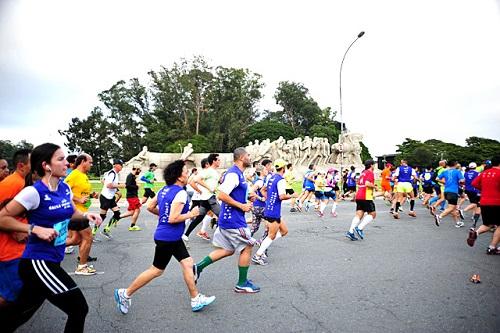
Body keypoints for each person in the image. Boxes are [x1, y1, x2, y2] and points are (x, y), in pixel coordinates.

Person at [0, 143, 102, 333]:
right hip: (38, 262)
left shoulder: (63, 188)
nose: (67, 163)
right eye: (60, 159)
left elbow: (71, 213)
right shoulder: (33, 192)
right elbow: (2, 218)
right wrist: (34, 229)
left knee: (20, 312)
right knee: (78, 308)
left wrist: (87, 215)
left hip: (53, 258)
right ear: (46, 165)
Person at [114, 160, 215, 314]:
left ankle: (195, 299)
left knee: (187, 263)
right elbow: (173, 218)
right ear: (179, 177)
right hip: (168, 237)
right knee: (156, 270)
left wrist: (167, 214)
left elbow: (150, 207)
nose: (188, 173)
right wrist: (191, 214)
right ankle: (125, 293)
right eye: (185, 171)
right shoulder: (180, 193)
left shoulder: (164, 190)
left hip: (170, 236)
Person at [193, 147, 260, 293]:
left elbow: (232, 193)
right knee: (248, 247)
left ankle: (197, 267)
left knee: (228, 249)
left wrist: (247, 197)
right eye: (248, 155)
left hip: (228, 219)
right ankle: (242, 283)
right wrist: (241, 205)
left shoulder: (238, 174)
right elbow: (222, 195)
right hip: (234, 221)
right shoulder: (234, 174)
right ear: (242, 158)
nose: (250, 157)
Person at [0, 149, 31, 307]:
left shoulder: (21, 183)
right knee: (9, 294)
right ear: (21, 166)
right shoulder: (13, 184)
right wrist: (15, 230)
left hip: (17, 249)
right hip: (8, 250)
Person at [252, 159, 296, 265]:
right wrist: (292, 196)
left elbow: (263, 190)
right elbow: (281, 196)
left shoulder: (271, 178)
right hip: (273, 211)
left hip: (270, 209)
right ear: (284, 168)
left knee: (284, 231)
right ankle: (258, 255)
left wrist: (269, 199)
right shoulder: (280, 179)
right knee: (271, 235)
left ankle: (264, 244)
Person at [64, 153, 99, 275]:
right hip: (76, 213)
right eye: (90, 162)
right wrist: (78, 199)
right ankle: (82, 267)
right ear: (83, 161)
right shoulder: (74, 175)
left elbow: (81, 191)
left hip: (82, 212)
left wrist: (91, 195)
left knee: (75, 239)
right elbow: (63, 191)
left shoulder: (83, 175)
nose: (91, 164)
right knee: (88, 237)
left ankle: (47, 246)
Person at [467, 156, 500, 254]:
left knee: (487, 224)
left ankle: (475, 233)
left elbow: (474, 183)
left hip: (484, 201)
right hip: (497, 202)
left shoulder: (484, 172)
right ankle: (492, 247)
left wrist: (484, 188)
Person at [345, 160, 377, 241]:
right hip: (366, 196)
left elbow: (359, 183)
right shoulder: (370, 173)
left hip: (359, 195)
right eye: (374, 165)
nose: (374, 166)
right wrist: (375, 187)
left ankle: (350, 231)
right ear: (371, 165)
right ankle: (359, 228)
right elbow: (367, 183)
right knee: (372, 214)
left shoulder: (363, 173)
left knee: (359, 214)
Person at [93, 159, 125, 239]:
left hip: (111, 198)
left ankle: (106, 230)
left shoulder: (115, 174)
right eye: (120, 164)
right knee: (102, 216)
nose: (122, 166)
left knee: (117, 214)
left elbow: (104, 181)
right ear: (115, 165)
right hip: (105, 197)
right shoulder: (112, 173)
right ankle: (92, 234)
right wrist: (120, 185)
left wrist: (116, 190)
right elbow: (108, 185)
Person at [434, 161, 465, 227]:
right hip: (453, 191)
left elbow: (437, 178)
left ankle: (457, 222)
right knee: (451, 207)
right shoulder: (457, 171)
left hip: (446, 191)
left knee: (453, 208)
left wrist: (444, 183)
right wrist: (460, 183)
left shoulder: (445, 171)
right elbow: (462, 180)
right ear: (455, 165)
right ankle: (439, 217)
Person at [121, 165, 143, 231]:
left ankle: (117, 217)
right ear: (136, 169)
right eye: (139, 170)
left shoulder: (132, 176)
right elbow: (128, 185)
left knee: (132, 212)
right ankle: (132, 226)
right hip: (132, 196)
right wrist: (137, 186)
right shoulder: (130, 176)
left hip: (133, 196)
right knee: (137, 210)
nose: (139, 171)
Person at [461, 162, 481, 227]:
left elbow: (464, 181)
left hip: (467, 189)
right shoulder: (477, 173)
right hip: (475, 190)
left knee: (474, 203)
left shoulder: (466, 173)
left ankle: (473, 215)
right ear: (476, 166)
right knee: (475, 203)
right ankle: (463, 210)